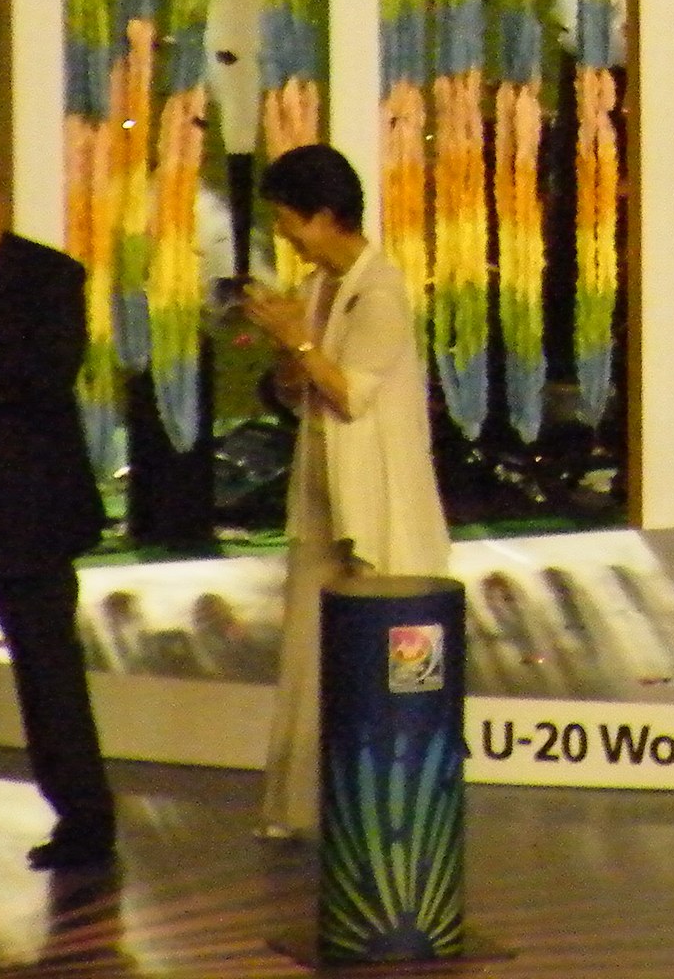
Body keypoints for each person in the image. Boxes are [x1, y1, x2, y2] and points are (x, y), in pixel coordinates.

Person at [241, 143, 455, 842]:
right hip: (323, 496)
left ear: (326, 216)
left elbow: (352, 395)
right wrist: (285, 351)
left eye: (287, 220)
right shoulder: (321, 289)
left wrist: (298, 344)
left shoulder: (381, 293)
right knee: (308, 654)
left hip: (377, 506)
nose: (283, 235)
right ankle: (303, 807)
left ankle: (388, 808)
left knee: (384, 665)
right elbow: (302, 392)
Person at [0, 144, 117, 870]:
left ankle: (85, 826)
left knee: (50, 676)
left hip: (27, 516)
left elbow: (45, 375)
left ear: (5, 204)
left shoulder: (51, 277)